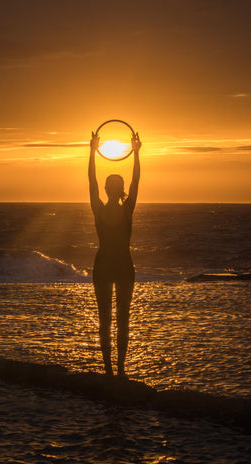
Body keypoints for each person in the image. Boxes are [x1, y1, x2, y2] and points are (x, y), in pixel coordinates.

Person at [89, 130, 141, 377]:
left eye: (115, 184)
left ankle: (119, 369)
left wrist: (137, 153)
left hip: (122, 265)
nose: (111, 186)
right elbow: (91, 181)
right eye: (110, 183)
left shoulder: (127, 208)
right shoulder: (98, 208)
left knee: (122, 318)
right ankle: (109, 369)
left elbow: (136, 181)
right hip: (105, 265)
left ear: (119, 189)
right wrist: (91, 151)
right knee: (105, 319)